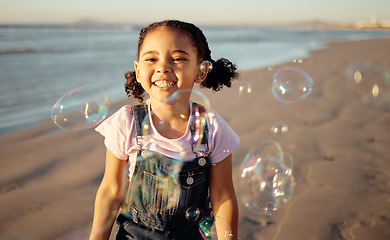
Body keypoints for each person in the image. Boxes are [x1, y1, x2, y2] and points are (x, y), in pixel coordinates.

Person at [89, 20, 240, 240]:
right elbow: (111, 190)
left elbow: (223, 194)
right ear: (139, 71)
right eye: (151, 59)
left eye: (178, 59)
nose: (163, 67)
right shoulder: (128, 122)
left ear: (201, 70)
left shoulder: (212, 127)